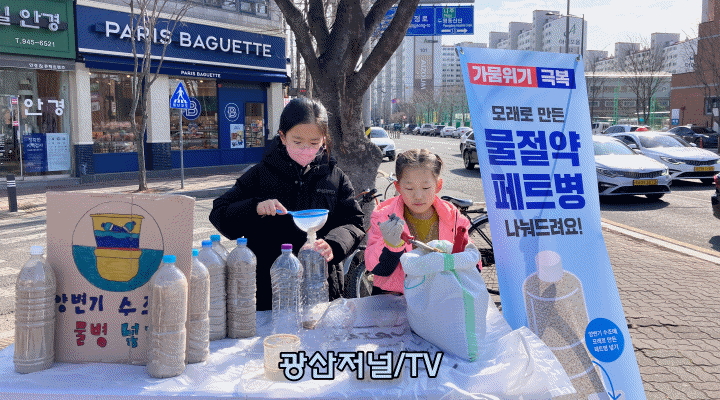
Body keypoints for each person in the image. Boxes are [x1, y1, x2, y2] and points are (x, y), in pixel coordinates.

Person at [209, 97, 364, 311]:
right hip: (270, 291)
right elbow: (219, 214)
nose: (305, 149)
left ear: (324, 140)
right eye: (297, 142)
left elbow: (354, 223)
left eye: (314, 143)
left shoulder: (335, 178)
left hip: (321, 287)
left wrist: (334, 244)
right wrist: (255, 207)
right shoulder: (260, 175)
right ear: (282, 137)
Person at [365, 149, 472, 295]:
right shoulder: (384, 216)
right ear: (398, 187)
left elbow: (472, 265)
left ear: (438, 185)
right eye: (409, 188)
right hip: (396, 299)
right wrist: (391, 246)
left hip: (439, 298)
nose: (418, 196)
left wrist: (463, 257)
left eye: (426, 187)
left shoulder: (452, 217)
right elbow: (376, 268)